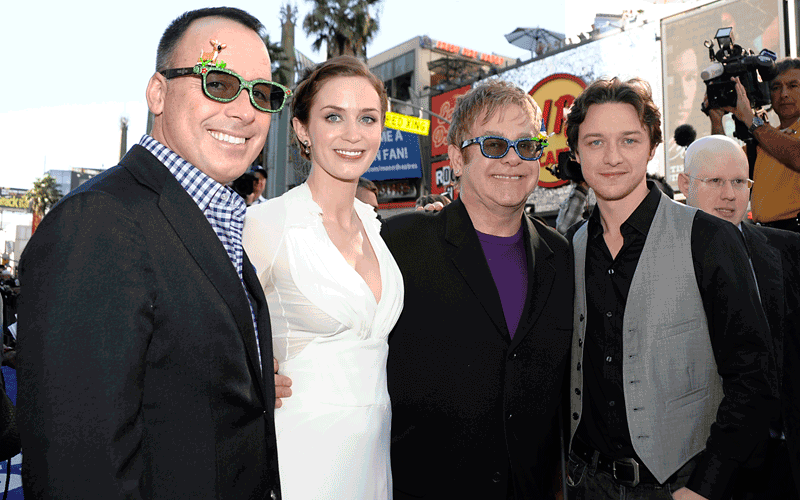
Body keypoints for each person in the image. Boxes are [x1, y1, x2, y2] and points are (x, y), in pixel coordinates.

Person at [16, 8, 287, 499]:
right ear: (157, 93)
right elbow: (78, 466)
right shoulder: (101, 221)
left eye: (263, 95)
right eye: (220, 83)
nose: (246, 112)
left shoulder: (214, 216)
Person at [565, 77, 777, 500]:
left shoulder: (709, 238)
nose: (611, 157)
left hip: (679, 487)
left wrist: (705, 487)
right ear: (575, 153)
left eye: (628, 140)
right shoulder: (569, 246)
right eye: (594, 142)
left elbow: (754, 377)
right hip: (585, 483)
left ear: (651, 147)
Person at [382, 80, 572, 499]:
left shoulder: (561, 256)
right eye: (493, 145)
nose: (513, 160)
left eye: (527, 145)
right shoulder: (398, 243)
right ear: (456, 157)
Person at [243, 56, 404, 500]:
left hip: (373, 453)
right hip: (301, 452)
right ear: (301, 129)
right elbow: (201, 326)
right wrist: (244, 375)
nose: (353, 134)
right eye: (334, 117)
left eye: (367, 118)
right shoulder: (268, 224)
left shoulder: (374, 227)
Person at [679, 134, 800, 499]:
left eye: (739, 182)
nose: (729, 194)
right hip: (703, 468)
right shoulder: (661, 261)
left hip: (784, 462)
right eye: (715, 181)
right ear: (685, 185)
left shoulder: (789, 250)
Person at [709, 58, 800, 232]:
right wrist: (717, 121)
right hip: (764, 238)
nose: (784, 94)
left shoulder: (762, 132)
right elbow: (724, 172)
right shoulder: (764, 138)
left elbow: (797, 156)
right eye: (776, 87)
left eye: (793, 85)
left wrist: (751, 119)